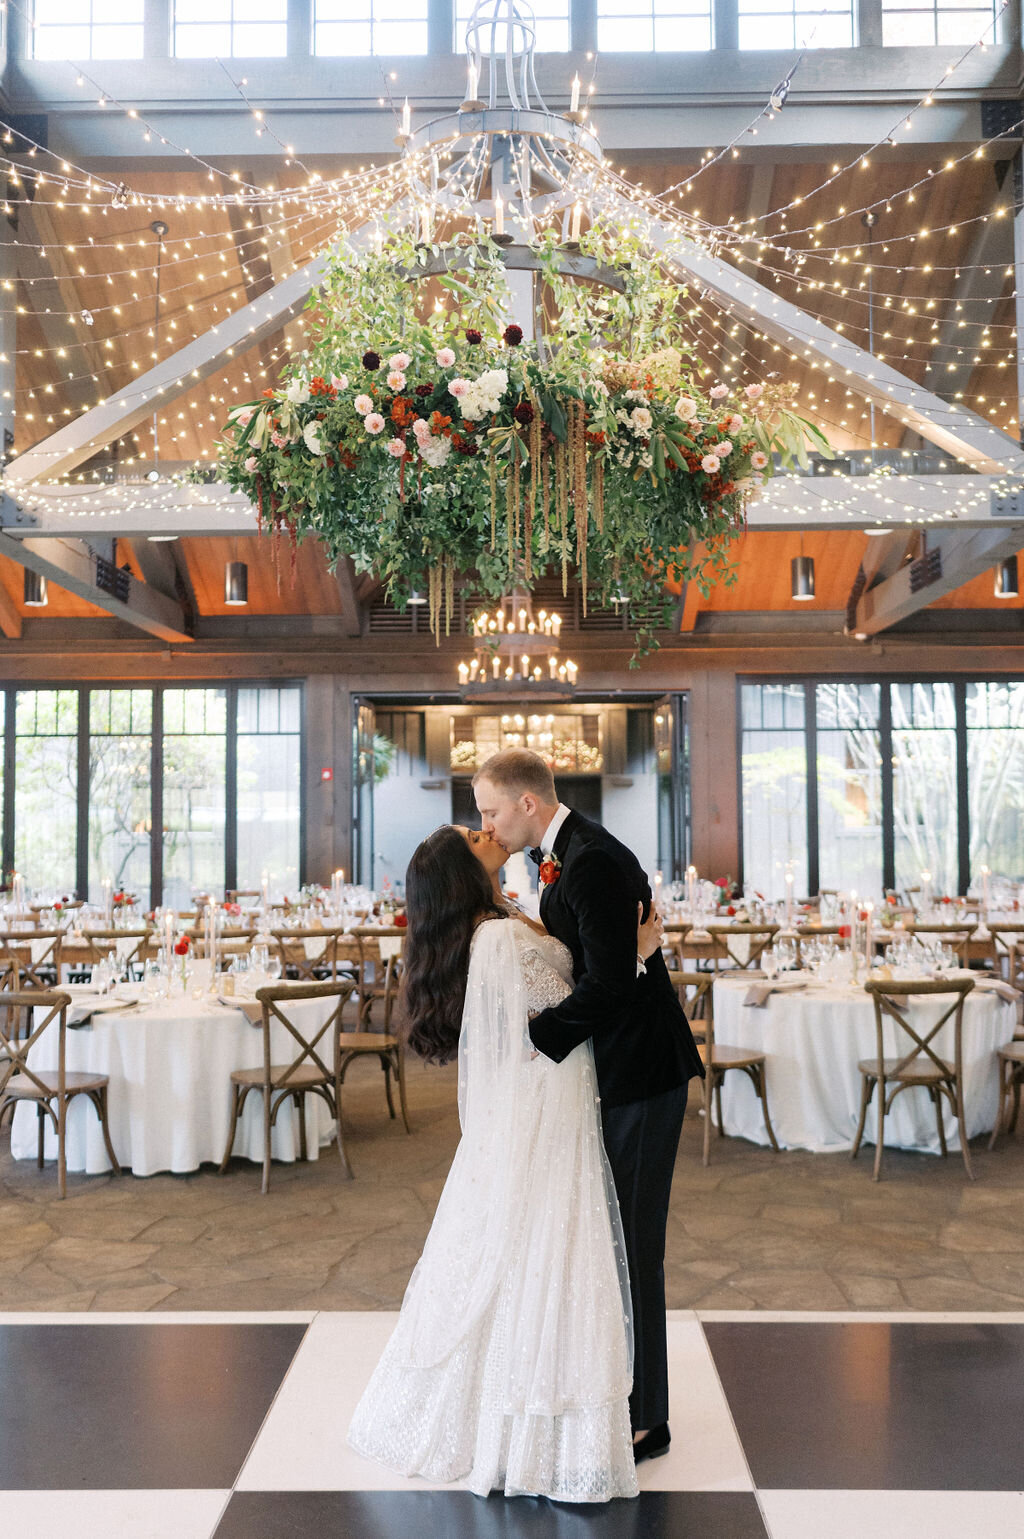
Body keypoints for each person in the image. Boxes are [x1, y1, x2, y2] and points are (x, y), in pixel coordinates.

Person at [348, 823, 663, 1502]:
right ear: (463, 865)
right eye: (472, 828)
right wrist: (633, 956)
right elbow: (557, 1006)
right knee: (548, 1244)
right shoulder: (494, 937)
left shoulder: (503, 917)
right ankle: (535, 1421)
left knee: (546, 1243)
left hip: (553, 1088)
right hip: (548, 1096)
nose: (484, 826)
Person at [472, 749, 704, 1465]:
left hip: (641, 1072)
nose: (485, 822)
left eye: (490, 810)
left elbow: (606, 986)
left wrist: (532, 1037)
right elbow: (600, 962)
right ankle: (620, 1397)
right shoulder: (563, 855)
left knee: (635, 1245)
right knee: (613, 1242)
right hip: (617, 1069)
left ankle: (647, 1418)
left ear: (528, 804)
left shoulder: (590, 861)